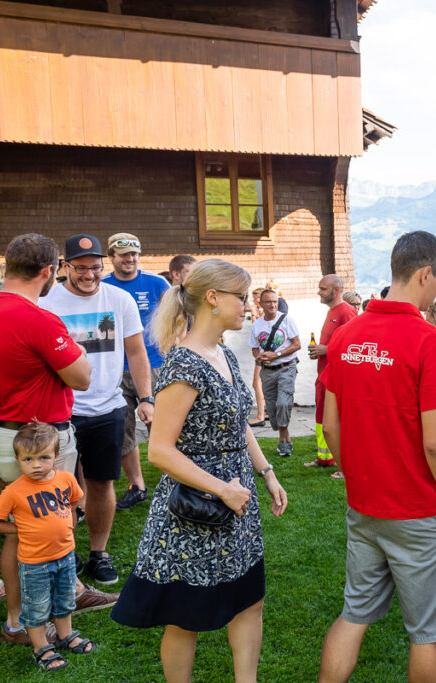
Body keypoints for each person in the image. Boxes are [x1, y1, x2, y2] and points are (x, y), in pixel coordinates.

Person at [110, 259, 287, 682]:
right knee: (183, 614)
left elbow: (239, 421)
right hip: (195, 508)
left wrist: (266, 473)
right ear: (212, 298)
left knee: (249, 599)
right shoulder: (183, 364)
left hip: (237, 499)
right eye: (241, 297)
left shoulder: (222, 351)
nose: (248, 306)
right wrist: (222, 489)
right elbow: (160, 451)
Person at [317, 231, 436, 683]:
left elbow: (331, 425)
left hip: (365, 503)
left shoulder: (347, 334)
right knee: (426, 634)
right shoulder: (428, 340)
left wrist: (353, 473)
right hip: (419, 508)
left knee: (354, 614)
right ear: (425, 274)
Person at [0, 234, 115, 643]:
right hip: (42, 436)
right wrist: (76, 348)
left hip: (4, 431)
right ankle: (34, 617)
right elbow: (83, 376)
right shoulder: (38, 317)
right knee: (52, 521)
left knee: (21, 526)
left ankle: (26, 615)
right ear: (48, 271)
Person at [40, 234, 155, 585]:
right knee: (61, 486)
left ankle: (98, 553)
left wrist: (147, 398)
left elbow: (136, 352)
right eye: (80, 268)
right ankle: (66, 550)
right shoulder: (47, 303)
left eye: (95, 268)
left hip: (108, 407)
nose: (89, 275)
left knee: (103, 484)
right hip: (63, 410)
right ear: (64, 267)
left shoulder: (119, 299)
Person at [0, 422, 95, 670]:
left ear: (56, 456)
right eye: (28, 459)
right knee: (36, 606)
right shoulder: (14, 492)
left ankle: (65, 635)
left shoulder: (66, 479)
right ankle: (41, 647)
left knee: (65, 599)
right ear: (18, 459)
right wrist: (19, 528)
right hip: (34, 563)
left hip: (65, 556)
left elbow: (76, 500)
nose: (36, 465)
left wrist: (67, 522)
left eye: (44, 457)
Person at [102, 232, 170, 512]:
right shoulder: (102, 287)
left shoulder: (157, 283)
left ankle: (175, 479)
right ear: (111, 258)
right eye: (124, 255)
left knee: (163, 426)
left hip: (154, 366)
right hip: (114, 369)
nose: (130, 259)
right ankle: (137, 486)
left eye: (134, 254)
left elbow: (179, 316)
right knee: (123, 430)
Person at [307, 274, 357, 477]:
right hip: (324, 376)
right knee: (321, 417)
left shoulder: (346, 312)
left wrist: (325, 350)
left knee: (336, 421)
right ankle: (325, 458)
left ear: (336, 291)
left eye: (323, 288)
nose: (319, 292)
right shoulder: (332, 312)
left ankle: (344, 466)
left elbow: (353, 347)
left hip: (336, 379)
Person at [250, 288, 302, 458]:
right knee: (272, 408)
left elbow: (296, 345)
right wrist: (261, 358)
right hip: (268, 371)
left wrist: (276, 354)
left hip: (286, 366)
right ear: (261, 304)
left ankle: (282, 440)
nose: (272, 305)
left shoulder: (287, 320)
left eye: (275, 301)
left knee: (283, 403)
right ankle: (287, 438)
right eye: (268, 302)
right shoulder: (257, 324)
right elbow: (254, 349)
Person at [247, 288, 267, 426]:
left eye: (255, 298)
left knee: (257, 383)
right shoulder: (264, 314)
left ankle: (260, 416)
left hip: (264, 353)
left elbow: (257, 330)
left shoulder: (263, 315)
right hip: (262, 352)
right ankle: (266, 413)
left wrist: (254, 315)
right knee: (263, 384)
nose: (253, 301)